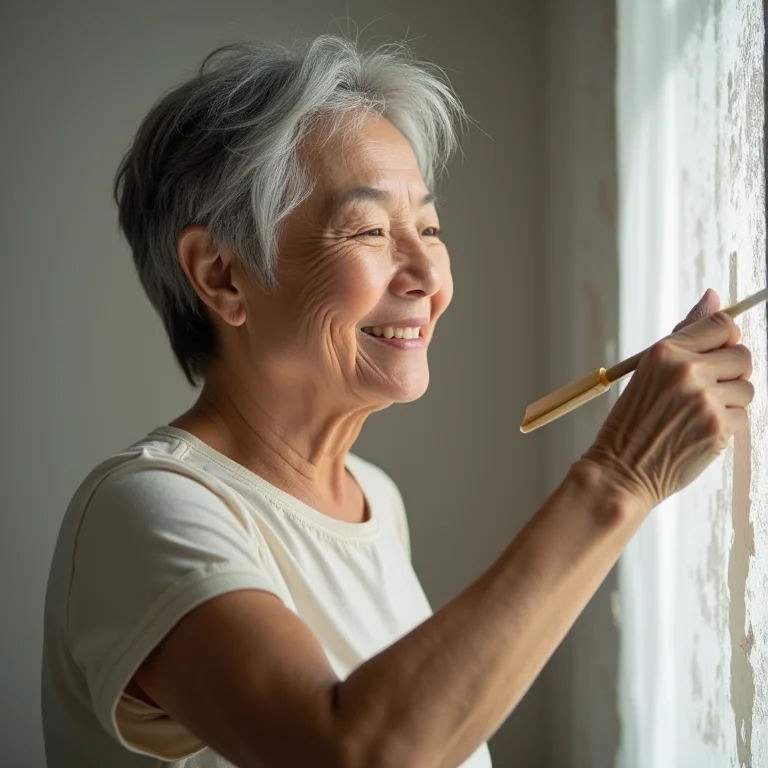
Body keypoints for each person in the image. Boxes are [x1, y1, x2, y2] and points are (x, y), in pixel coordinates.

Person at [41, 36, 754, 768]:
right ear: (222, 275)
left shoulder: (374, 499)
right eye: (372, 229)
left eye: (430, 229)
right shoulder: (143, 509)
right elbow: (351, 753)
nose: (428, 275)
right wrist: (618, 479)